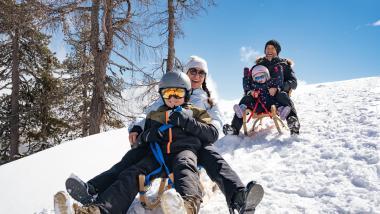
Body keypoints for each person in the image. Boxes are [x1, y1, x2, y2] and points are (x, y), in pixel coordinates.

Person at [64, 56, 263, 213]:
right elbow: (145, 117)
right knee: (130, 168)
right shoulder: (162, 102)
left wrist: (189, 123)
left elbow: (214, 129)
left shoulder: (206, 103)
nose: (196, 75)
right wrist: (140, 132)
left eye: (201, 72)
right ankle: (98, 204)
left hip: (192, 144)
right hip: (158, 149)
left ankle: (233, 198)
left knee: (207, 161)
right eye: (193, 71)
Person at [223, 65, 292, 135]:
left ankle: (282, 110)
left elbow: (279, 82)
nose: (260, 79)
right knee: (246, 98)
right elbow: (246, 87)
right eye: (257, 78)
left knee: (282, 95)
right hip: (257, 106)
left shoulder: (272, 83)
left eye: (262, 76)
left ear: (267, 76)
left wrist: (275, 89)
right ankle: (235, 127)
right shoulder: (253, 86)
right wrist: (251, 91)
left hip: (271, 106)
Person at [256, 40, 300, 135]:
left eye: (272, 48)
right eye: (267, 48)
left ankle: (293, 125)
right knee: (246, 99)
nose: (269, 50)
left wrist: (279, 88)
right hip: (262, 99)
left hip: (279, 99)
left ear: (277, 51)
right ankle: (234, 128)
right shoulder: (259, 66)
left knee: (282, 95)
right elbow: (252, 81)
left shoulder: (284, 65)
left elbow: (293, 83)